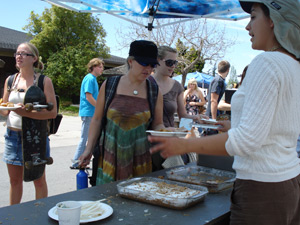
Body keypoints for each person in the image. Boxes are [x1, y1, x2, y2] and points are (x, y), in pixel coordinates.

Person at [148, 0, 300, 224]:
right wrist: (235, 124)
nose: (248, 27)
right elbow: (279, 127)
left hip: (261, 189)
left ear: (273, 20)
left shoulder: (266, 62)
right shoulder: (294, 65)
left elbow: (247, 141)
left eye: (254, 16)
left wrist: (184, 144)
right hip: (289, 183)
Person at [78, 40, 165, 185]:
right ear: (131, 61)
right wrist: (88, 149)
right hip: (109, 158)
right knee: (107, 203)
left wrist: (166, 133)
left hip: (140, 160)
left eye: (152, 65)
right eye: (144, 63)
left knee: (137, 202)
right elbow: (97, 119)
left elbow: (158, 124)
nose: (148, 69)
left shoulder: (155, 91)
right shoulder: (110, 85)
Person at [0, 42, 57, 205]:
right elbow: (5, 110)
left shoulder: (44, 81)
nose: (18, 56)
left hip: (35, 137)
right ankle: (13, 217)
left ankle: (39, 216)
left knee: (38, 180)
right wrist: (6, 108)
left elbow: (52, 113)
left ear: (34, 58)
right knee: (14, 181)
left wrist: (24, 112)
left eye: (23, 53)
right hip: (12, 136)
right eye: (17, 53)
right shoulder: (10, 80)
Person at [150, 46, 203, 170]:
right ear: (157, 60)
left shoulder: (177, 86)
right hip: (148, 141)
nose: (173, 66)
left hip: (169, 140)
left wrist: (197, 118)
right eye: (169, 62)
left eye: (175, 63)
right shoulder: (146, 83)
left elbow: (183, 116)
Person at [71, 58, 104, 169]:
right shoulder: (90, 78)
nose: (102, 69)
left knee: (89, 138)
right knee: (85, 138)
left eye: (102, 67)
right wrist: (100, 108)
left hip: (91, 112)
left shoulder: (93, 79)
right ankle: (76, 162)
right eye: (99, 67)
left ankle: (81, 161)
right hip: (89, 112)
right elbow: (88, 97)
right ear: (93, 67)